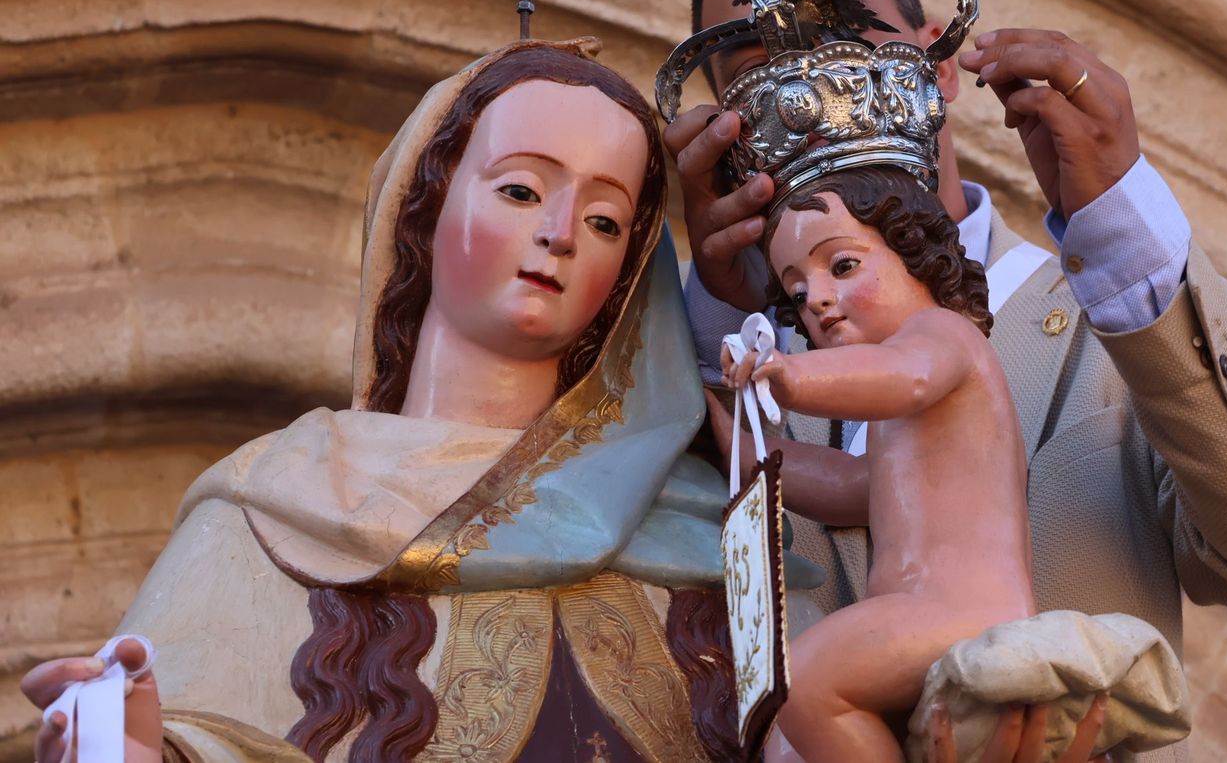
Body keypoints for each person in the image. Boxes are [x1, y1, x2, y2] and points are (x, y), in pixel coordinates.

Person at [667, 0, 1227, 762]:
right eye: (755, 65)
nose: (811, 84)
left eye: (846, 35)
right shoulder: (677, 347)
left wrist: (1122, 230)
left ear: (937, 59)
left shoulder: (1112, 318)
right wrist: (714, 321)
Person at [22, 40, 763, 763]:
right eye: (520, 190)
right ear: (426, 201)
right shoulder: (278, 502)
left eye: (605, 220)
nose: (559, 233)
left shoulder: (703, 523)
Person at [723, 167, 1034, 762]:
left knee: (809, 681)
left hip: (966, 613)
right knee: (786, 744)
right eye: (796, 293)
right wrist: (743, 448)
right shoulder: (899, 423)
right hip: (914, 615)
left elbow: (907, 378)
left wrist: (791, 375)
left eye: (841, 266)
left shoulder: (943, 338)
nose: (813, 299)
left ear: (916, 257)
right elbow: (851, 486)